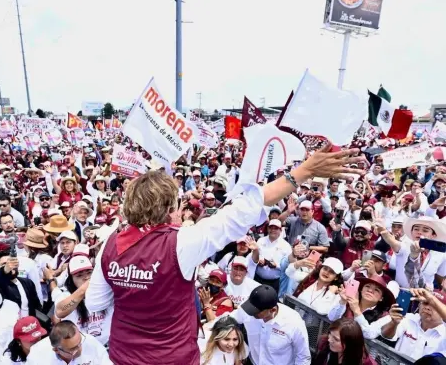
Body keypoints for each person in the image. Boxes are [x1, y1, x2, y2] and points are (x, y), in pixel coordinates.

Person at [85, 146, 363, 364]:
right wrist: (302, 172)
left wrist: (135, 285)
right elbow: (241, 212)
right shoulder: (181, 242)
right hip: (172, 358)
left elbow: (96, 301)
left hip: (122, 356)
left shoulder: (112, 243)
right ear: (169, 206)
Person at [231, 285, 311, 364]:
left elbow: (303, 358)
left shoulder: (294, 323)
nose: (251, 313)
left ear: (273, 310)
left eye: (256, 311)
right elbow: (228, 320)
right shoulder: (247, 309)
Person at [54, 252, 113, 346]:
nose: (86, 277)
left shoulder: (105, 292)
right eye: (79, 275)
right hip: (81, 349)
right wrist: (84, 288)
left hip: (106, 347)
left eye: (89, 273)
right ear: (71, 278)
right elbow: (60, 311)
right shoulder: (65, 295)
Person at [328, 275, 395, 339]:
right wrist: (342, 302)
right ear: (361, 290)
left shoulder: (384, 315)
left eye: (376, 290)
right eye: (367, 286)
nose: (370, 290)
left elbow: (369, 334)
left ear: (381, 298)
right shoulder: (348, 301)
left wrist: (356, 310)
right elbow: (332, 318)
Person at [0, 250, 42, 318]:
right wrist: (4, 271)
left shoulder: (27, 283)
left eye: (12, 262)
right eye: (4, 264)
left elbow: (36, 307)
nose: (10, 266)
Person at [25, 320, 111, 364]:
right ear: (56, 350)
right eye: (73, 349)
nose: (80, 348)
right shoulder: (37, 355)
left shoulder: (90, 342)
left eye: (80, 342)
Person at [313, 318, 377, 365]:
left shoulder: (366, 362)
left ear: (350, 343)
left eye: (336, 339)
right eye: (330, 334)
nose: (329, 340)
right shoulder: (325, 342)